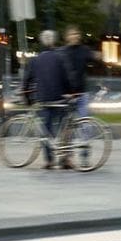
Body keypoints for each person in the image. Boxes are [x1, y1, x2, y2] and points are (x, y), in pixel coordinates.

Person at [21, 29, 74, 169]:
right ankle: (64, 158)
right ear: (53, 42)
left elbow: (26, 81)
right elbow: (67, 78)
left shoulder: (35, 60)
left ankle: (49, 160)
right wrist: (69, 92)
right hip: (59, 98)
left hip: (44, 99)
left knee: (46, 131)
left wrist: (27, 98)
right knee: (64, 127)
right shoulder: (60, 58)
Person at [60, 26, 96, 117]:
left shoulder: (85, 50)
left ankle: (85, 130)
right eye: (72, 34)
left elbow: (92, 59)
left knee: (84, 121)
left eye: (77, 34)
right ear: (67, 37)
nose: (75, 36)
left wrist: (97, 56)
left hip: (81, 92)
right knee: (65, 122)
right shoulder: (62, 52)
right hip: (66, 93)